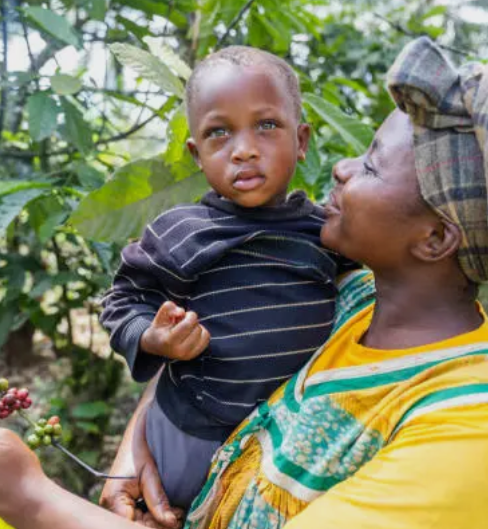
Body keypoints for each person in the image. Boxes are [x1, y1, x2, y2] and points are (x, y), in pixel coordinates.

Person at [1, 36, 488, 529]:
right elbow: (221, 323)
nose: (343, 168)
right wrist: (140, 442)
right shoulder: (357, 301)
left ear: (436, 238)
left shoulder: (478, 430)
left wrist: (28, 496)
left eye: (371, 167)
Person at [99, 45, 354, 511]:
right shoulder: (180, 232)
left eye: (267, 125)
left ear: (302, 140)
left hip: (290, 437)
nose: (244, 149)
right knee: (166, 515)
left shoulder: (326, 234)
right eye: (219, 133)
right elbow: (121, 303)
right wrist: (155, 338)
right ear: (197, 153)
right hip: (193, 430)